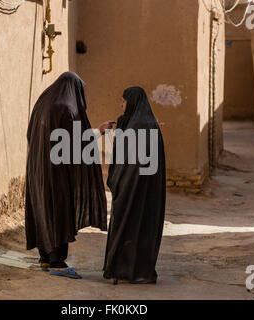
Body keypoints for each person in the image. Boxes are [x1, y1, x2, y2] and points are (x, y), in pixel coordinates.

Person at [25, 72, 113, 278]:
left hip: (38, 170)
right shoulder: (67, 108)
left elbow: (32, 135)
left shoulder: (42, 105)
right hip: (57, 173)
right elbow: (77, 142)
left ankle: (45, 257)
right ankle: (57, 262)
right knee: (59, 210)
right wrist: (99, 133)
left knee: (43, 209)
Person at [103, 86, 166, 284]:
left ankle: (122, 270)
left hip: (133, 188)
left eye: (123, 101)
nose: (121, 105)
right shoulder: (148, 123)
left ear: (132, 102)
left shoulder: (138, 127)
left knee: (127, 224)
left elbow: (128, 163)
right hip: (149, 190)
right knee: (143, 227)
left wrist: (118, 184)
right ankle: (140, 272)